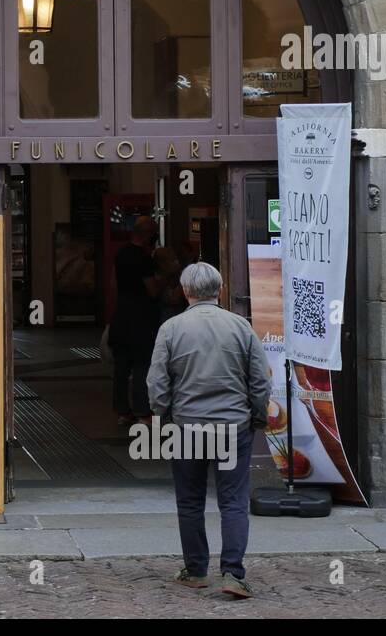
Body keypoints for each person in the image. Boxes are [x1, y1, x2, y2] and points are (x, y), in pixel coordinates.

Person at [146, 262, 271, 599]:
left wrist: (164, 415)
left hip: (187, 426)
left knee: (190, 501)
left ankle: (196, 569)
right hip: (233, 426)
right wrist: (257, 417)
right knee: (233, 502)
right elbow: (260, 380)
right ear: (221, 290)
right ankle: (233, 572)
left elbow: (157, 383)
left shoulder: (171, 328)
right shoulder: (240, 327)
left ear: (185, 292)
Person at [107, 214, 160, 426]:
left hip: (121, 317)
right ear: (148, 235)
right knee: (141, 367)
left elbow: (114, 285)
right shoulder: (144, 259)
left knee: (121, 368)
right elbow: (153, 291)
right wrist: (165, 279)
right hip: (140, 321)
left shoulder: (121, 254)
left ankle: (122, 411)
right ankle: (142, 411)